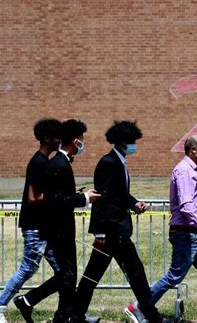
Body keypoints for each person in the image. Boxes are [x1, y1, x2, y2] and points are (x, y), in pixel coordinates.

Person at [124, 135, 197, 323]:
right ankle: (139, 307)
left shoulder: (192, 170)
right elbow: (186, 205)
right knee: (175, 276)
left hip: (196, 235)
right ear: (193, 150)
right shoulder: (184, 171)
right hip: (187, 233)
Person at [70, 121, 161, 323]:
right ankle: (153, 317)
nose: (134, 145)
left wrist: (135, 204)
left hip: (117, 231)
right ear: (122, 142)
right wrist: (100, 233)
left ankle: (76, 315)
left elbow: (120, 195)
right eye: (132, 141)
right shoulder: (108, 163)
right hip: (113, 232)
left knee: (98, 276)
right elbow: (101, 199)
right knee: (131, 275)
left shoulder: (119, 162)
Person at [0, 119, 62, 323]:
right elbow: (33, 197)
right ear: (48, 138)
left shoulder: (45, 161)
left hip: (44, 227)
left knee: (64, 272)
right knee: (28, 268)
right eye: (57, 136)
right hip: (35, 227)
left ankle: (68, 312)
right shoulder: (38, 162)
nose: (60, 141)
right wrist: (60, 198)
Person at [42, 119, 101, 323]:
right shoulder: (59, 163)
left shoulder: (61, 162)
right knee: (68, 276)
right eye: (82, 140)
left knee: (68, 276)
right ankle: (64, 317)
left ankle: (67, 315)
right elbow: (56, 199)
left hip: (62, 230)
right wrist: (85, 198)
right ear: (76, 141)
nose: (83, 144)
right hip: (60, 230)